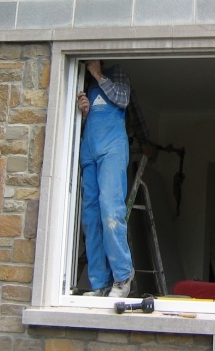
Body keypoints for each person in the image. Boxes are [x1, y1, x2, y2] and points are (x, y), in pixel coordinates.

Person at [77, 60, 153, 297]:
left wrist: (98, 75)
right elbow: (79, 125)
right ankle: (99, 283)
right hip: (89, 149)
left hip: (112, 147)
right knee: (90, 217)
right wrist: (84, 113)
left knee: (110, 209)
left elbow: (123, 99)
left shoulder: (116, 73)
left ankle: (122, 275)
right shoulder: (81, 82)